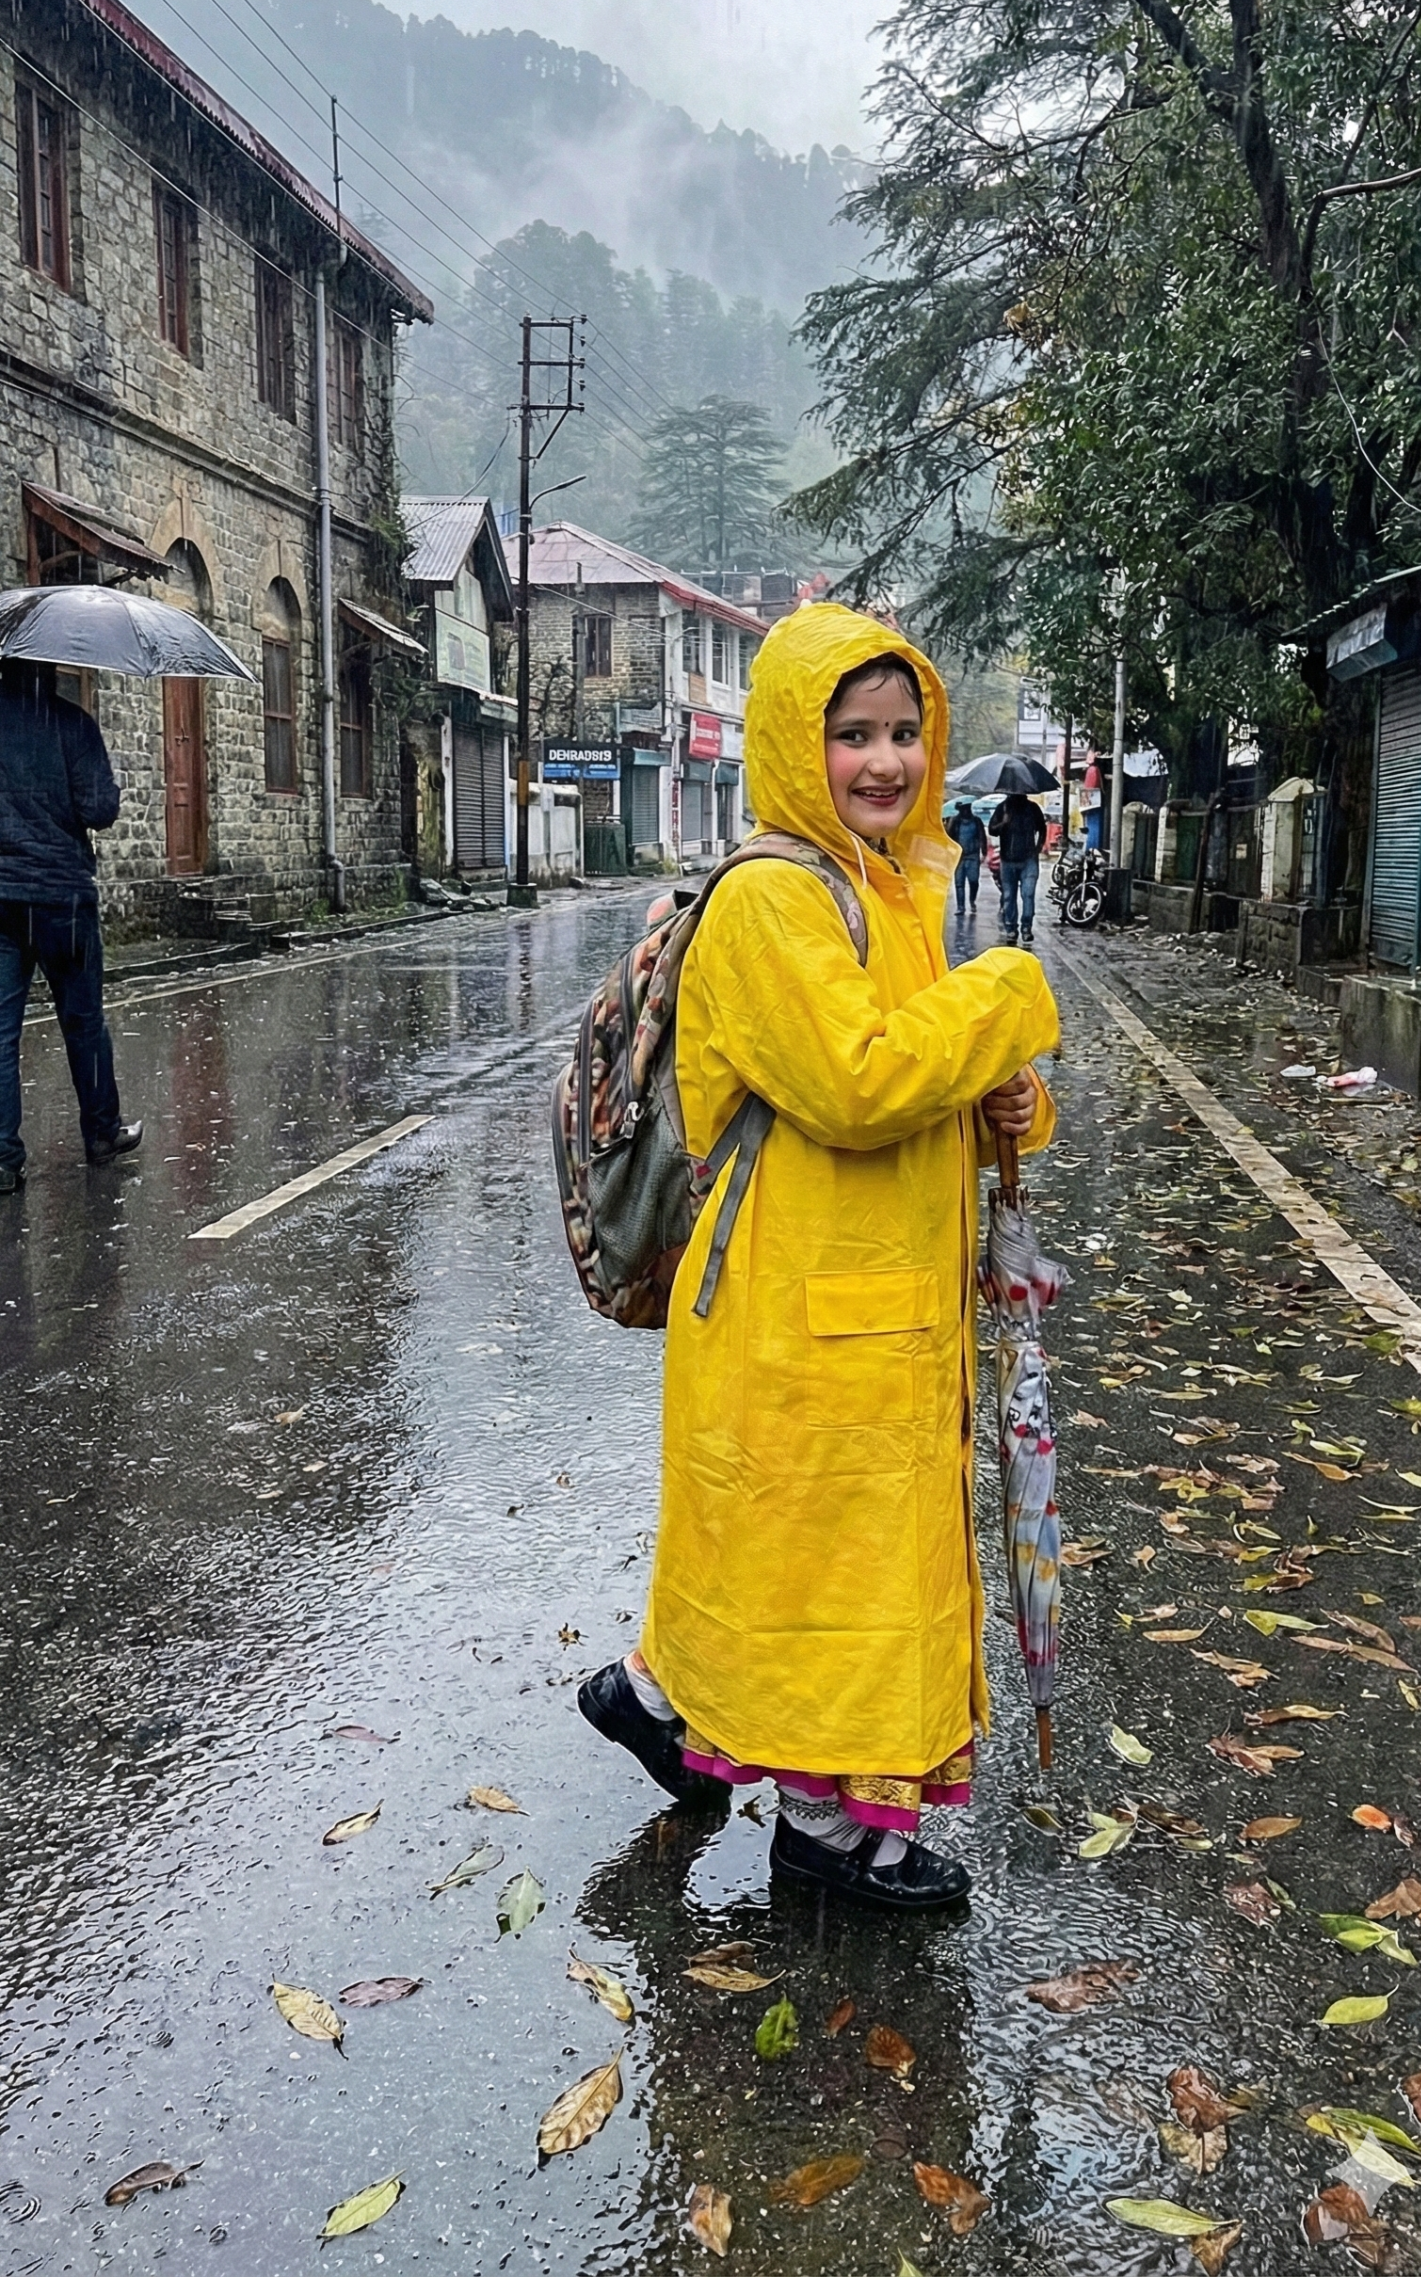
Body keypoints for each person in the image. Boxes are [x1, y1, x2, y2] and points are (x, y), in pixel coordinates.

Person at [579, 602, 1059, 1913]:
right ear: (799, 744)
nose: (887, 761)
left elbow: (927, 1076)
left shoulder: (883, 886)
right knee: (822, 1585)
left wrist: (1011, 1102)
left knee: (815, 1572)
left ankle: (685, 1721)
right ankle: (826, 1835)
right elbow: (857, 1082)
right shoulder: (777, 903)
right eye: (853, 735)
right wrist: (1011, 989)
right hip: (801, 1323)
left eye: (906, 732)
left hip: (872, 1318)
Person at [0, 661, 142, 1193]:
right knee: (83, 1022)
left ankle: (3, 1159)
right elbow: (99, 807)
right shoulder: (72, 723)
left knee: (1, 1031)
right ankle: (102, 1133)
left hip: (2, 898)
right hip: (63, 899)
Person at [988, 789, 1048, 946]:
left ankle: (1026, 928)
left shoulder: (1033, 809)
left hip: (1029, 860)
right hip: (1007, 860)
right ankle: (1011, 929)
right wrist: (1004, 822)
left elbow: (1042, 828)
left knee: (1028, 894)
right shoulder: (1003, 808)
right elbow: (992, 830)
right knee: (1008, 897)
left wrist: (1038, 847)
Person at [944, 792, 986, 916]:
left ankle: (972, 900)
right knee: (959, 883)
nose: (966, 811)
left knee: (974, 880)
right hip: (959, 857)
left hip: (973, 856)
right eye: (963, 809)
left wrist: (983, 852)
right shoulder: (955, 821)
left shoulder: (977, 821)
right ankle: (960, 907)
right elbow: (948, 837)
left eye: (968, 808)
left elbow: (982, 836)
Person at [1081, 751, 1104, 851]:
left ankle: (1091, 849)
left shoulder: (1092, 770)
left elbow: (1090, 788)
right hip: (1093, 803)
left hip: (1091, 803)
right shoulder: (1094, 770)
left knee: (1092, 829)